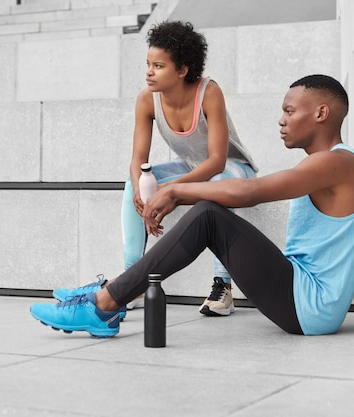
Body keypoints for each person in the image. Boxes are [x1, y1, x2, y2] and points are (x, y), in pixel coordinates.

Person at [31, 74, 354, 338]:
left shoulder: (335, 163)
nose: (281, 119)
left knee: (209, 216)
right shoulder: (329, 164)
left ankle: (104, 302)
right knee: (209, 214)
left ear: (322, 113)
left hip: (309, 305)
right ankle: (108, 295)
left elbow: (249, 191)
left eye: (290, 111)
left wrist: (176, 191)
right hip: (302, 294)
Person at [54, 21, 258, 317]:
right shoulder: (146, 99)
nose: (149, 71)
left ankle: (222, 287)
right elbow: (138, 158)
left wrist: (171, 190)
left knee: (214, 183)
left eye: (159, 65)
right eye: (148, 64)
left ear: (182, 70)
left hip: (232, 169)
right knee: (131, 181)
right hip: (191, 166)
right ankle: (131, 280)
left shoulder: (209, 92)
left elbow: (216, 160)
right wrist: (140, 188)